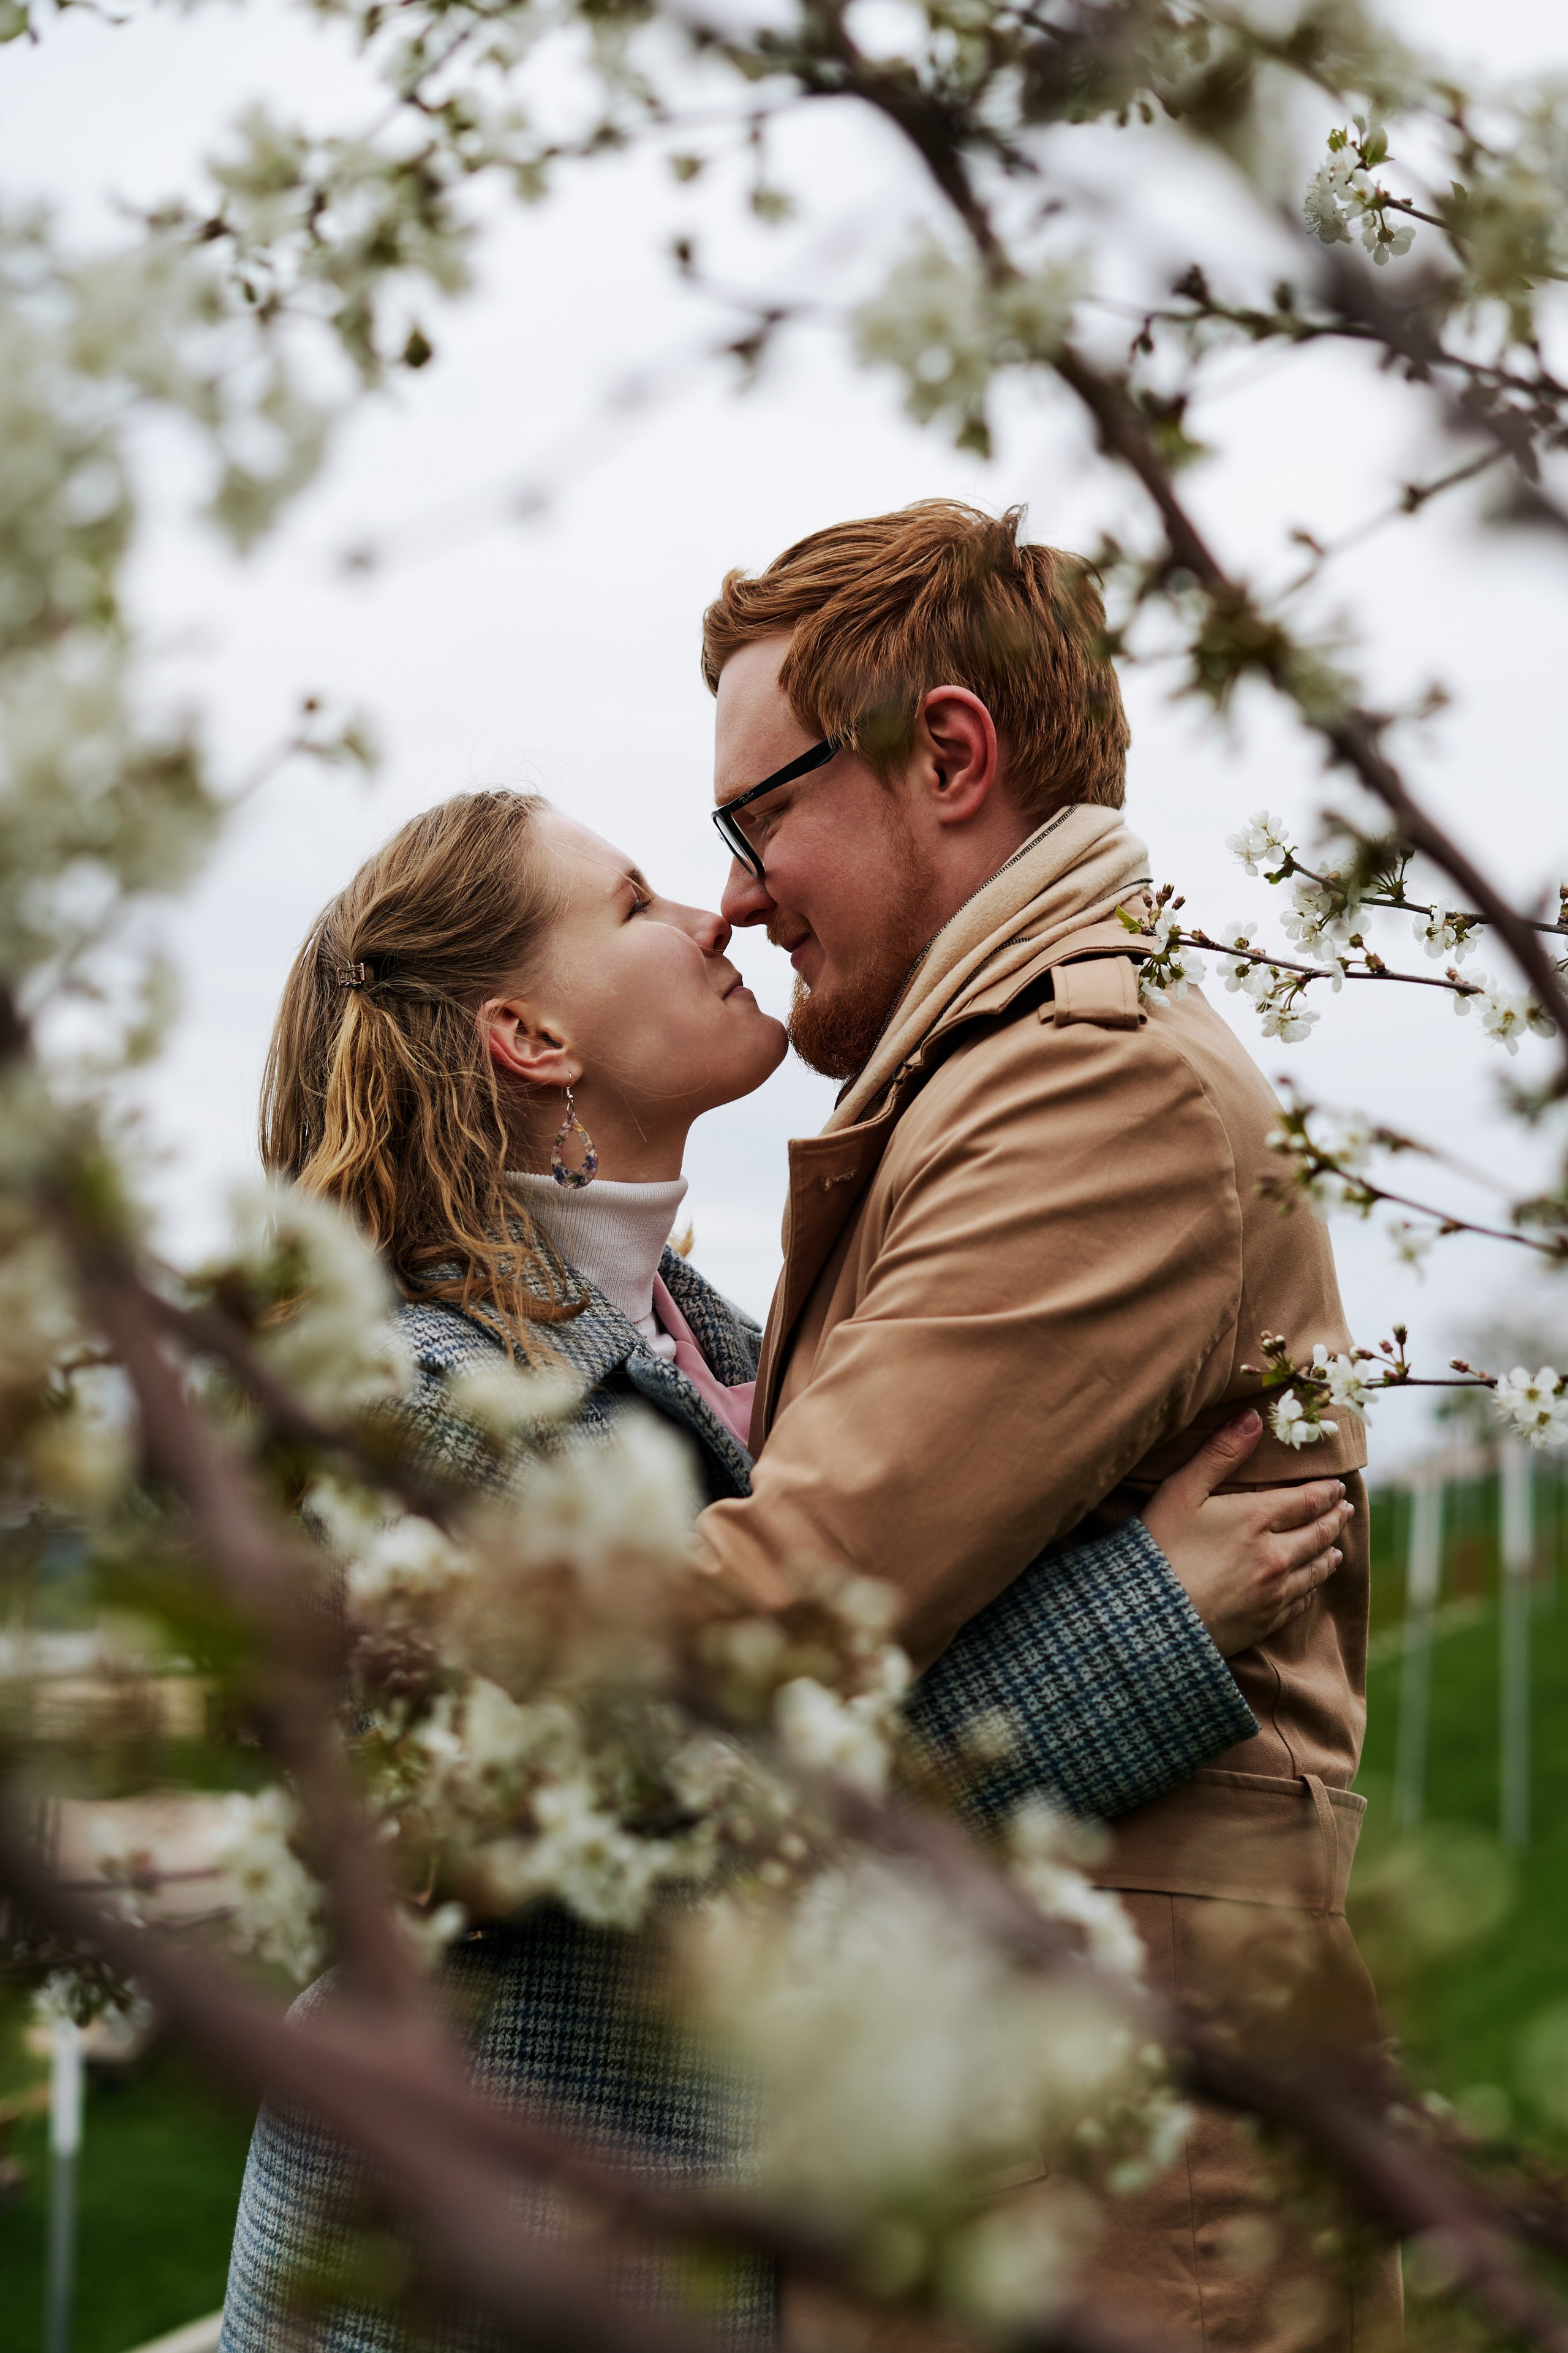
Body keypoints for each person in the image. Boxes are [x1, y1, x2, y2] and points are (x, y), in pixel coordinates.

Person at [221, 787, 1348, 2353]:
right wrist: (1135, 1634)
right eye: (633, 905)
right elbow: (623, 1836)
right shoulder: (417, 1402)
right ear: (530, 1037)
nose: (717, 912)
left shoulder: (714, 1337)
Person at [690, 499, 1395, 2351]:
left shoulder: (1093, 1093)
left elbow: (781, 1606)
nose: (742, 895)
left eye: (758, 819)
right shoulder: (992, 1076)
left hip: (1105, 2235)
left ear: (946, 754)